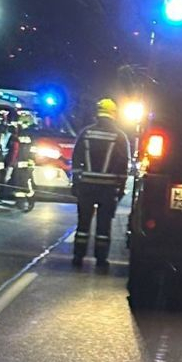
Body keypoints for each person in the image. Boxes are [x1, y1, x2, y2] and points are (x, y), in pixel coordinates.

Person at [71, 98, 132, 269]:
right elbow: (123, 164)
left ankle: (78, 256)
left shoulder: (85, 133)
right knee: (104, 226)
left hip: (86, 186)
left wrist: (76, 182)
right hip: (108, 188)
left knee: (83, 224)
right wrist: (121, 187)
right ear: (114, 114)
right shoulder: (120, 137)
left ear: (97, 113)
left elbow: (76, 158)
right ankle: (101, 259)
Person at [8, 110, 37, 211]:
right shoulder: (20, 132)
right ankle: (19, 202)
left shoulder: (32, 133)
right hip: (19, 161)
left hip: (26, 162)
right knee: (17, 182)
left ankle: (31, 200)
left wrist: (31, 160)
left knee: (26, 182)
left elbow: (33, 148)